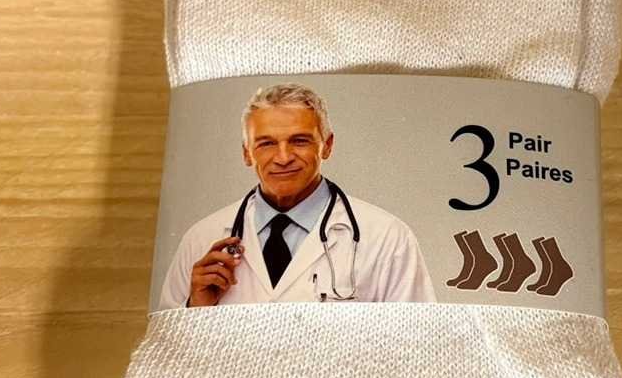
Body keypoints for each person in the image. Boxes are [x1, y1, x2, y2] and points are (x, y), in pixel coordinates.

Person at [161, 83, 436, 306]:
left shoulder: (387, 238)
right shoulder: (201, 239)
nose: (283, 158)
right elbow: (165, 349)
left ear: (327, 146)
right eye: (266, 143)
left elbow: (417, 343)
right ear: (247, 153)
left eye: (300, 141)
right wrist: (195, 308)